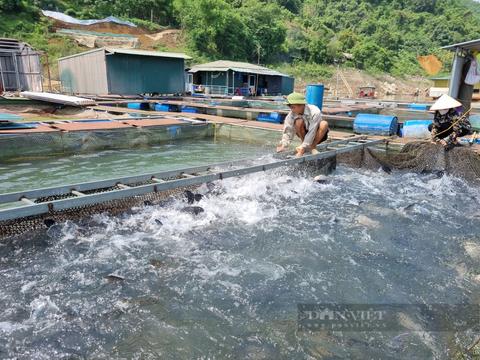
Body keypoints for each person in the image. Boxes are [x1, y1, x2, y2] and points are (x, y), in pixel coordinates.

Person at [276, 92, 329, 157]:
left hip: (318, 135)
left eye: (293, 107)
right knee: (298, 122)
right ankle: (304, 146)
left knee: (324, 124)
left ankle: (312, 147)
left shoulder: (314, 111)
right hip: (304, 135)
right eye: (291, 108)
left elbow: (312, 131)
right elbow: (288, 130)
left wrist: (303, 147)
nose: (292, 110)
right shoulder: (291, 114)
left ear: (301, 105)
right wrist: (283, 145)